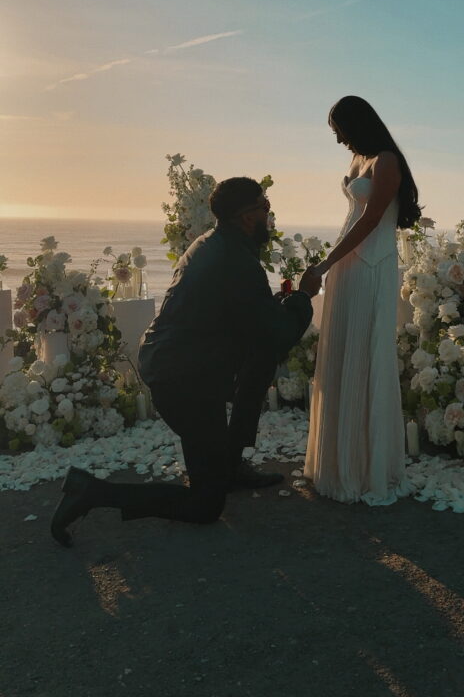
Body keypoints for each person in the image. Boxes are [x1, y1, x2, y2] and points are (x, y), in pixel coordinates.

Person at [51, 177, 319, 547]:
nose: (269, 215)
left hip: (180, 366)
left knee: (259, 357)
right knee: (206, 506)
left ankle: (228, 466)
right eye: (265, 207)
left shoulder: (214, 242)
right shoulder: (235, 259)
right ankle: (92, 493)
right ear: (246, 216)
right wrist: (304, 296)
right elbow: (279, 334)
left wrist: (277, 305)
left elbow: (242, 313)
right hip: (185, 383)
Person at [304, 96, 421, 505]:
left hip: (372, 265)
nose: (338, 140)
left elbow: (371, 221)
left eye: (340, 131)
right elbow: (353, 217)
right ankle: (339, 463)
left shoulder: (386, 161)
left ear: (357, 126)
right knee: (341, 353)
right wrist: (334, 263)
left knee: (367, 353)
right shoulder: (357, 160)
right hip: (348, 265)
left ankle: (367, 468)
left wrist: (323, 263)